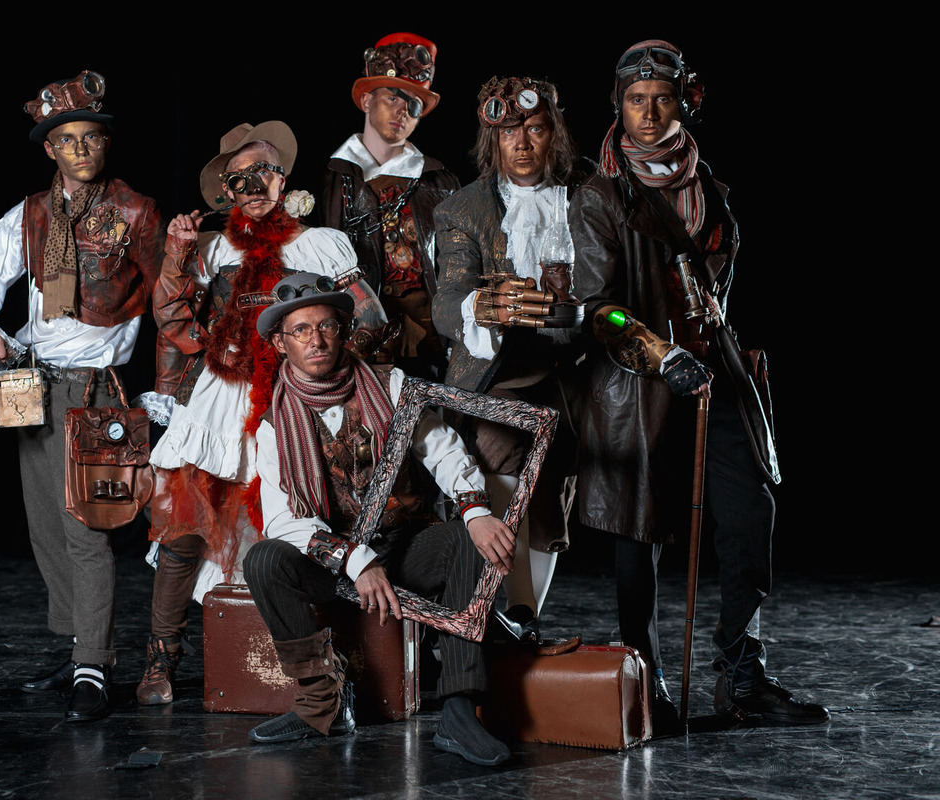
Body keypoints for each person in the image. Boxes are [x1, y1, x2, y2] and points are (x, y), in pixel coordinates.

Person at [569, 40, 828, 724]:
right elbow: (600, 309)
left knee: (749, 513)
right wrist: (659, 353)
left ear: (687, 101)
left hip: (716, 373)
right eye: (635, 100)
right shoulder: (601, 195)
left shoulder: (708, 188)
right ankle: (644, 683)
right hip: (640, 384)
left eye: (662, 99)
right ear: (618, 104)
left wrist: (705, 342)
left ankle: (742, 677)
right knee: (639, 533)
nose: (649, 114)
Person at [0, 71, 162, 722]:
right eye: (68, 140)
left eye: (91, 137)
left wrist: (175, 390)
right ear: (49, 149)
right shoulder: (29, 215)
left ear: (106, 143)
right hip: (35, 388)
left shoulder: (137, 213)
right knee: (46, 529)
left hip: (98, 392)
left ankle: (94, 665)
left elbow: (175, 303)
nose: (81, 149)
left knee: (87, 530)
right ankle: (78, 653)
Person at [243, 272, 516, 766]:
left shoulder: (390, 385)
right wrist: (355, 559)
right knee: (264, 559)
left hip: (402, 546)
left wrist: (476, 510)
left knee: (465, 539)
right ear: (281, 344)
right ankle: (320, 703)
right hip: (335, 566)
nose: (315, 340)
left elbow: (442, 449)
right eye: (300, 330)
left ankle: (459, 711)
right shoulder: (272, 425)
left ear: (344, 330)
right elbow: (282, 520)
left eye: (326, 326)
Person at [139, 122, 364, 707]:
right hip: (220, 398)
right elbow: (172, 319)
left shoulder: (321, 245)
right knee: (186, 528)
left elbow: (367, 318)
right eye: (239, 179)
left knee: (285, 530)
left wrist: (333, 371)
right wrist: (177, 254)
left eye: (263, 172)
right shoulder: (215, 249)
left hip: (293, 398)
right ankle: (162, 657)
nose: (252, 186)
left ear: (283, 179)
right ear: (227, 193)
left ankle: (294, 667)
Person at [431, 77, 593, 639]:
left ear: (555, 134)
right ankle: (510, 613)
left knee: (550, 492)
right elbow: (446, 304)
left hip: (573, 369)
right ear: (491, 140)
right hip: (496, 370)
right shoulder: (463, 209)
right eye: (508, 134)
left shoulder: (588, 195)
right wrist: (485, 304)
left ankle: (525, 618)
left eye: (536, 129)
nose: (522, 143)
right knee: (501, 458)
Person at [323, 32, 460, 380]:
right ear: (366, 100)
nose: (402, 110)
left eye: (413, 105)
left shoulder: (440, 181)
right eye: (393, 96)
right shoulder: (329, 178)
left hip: (431, 345)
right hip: (354, 340)